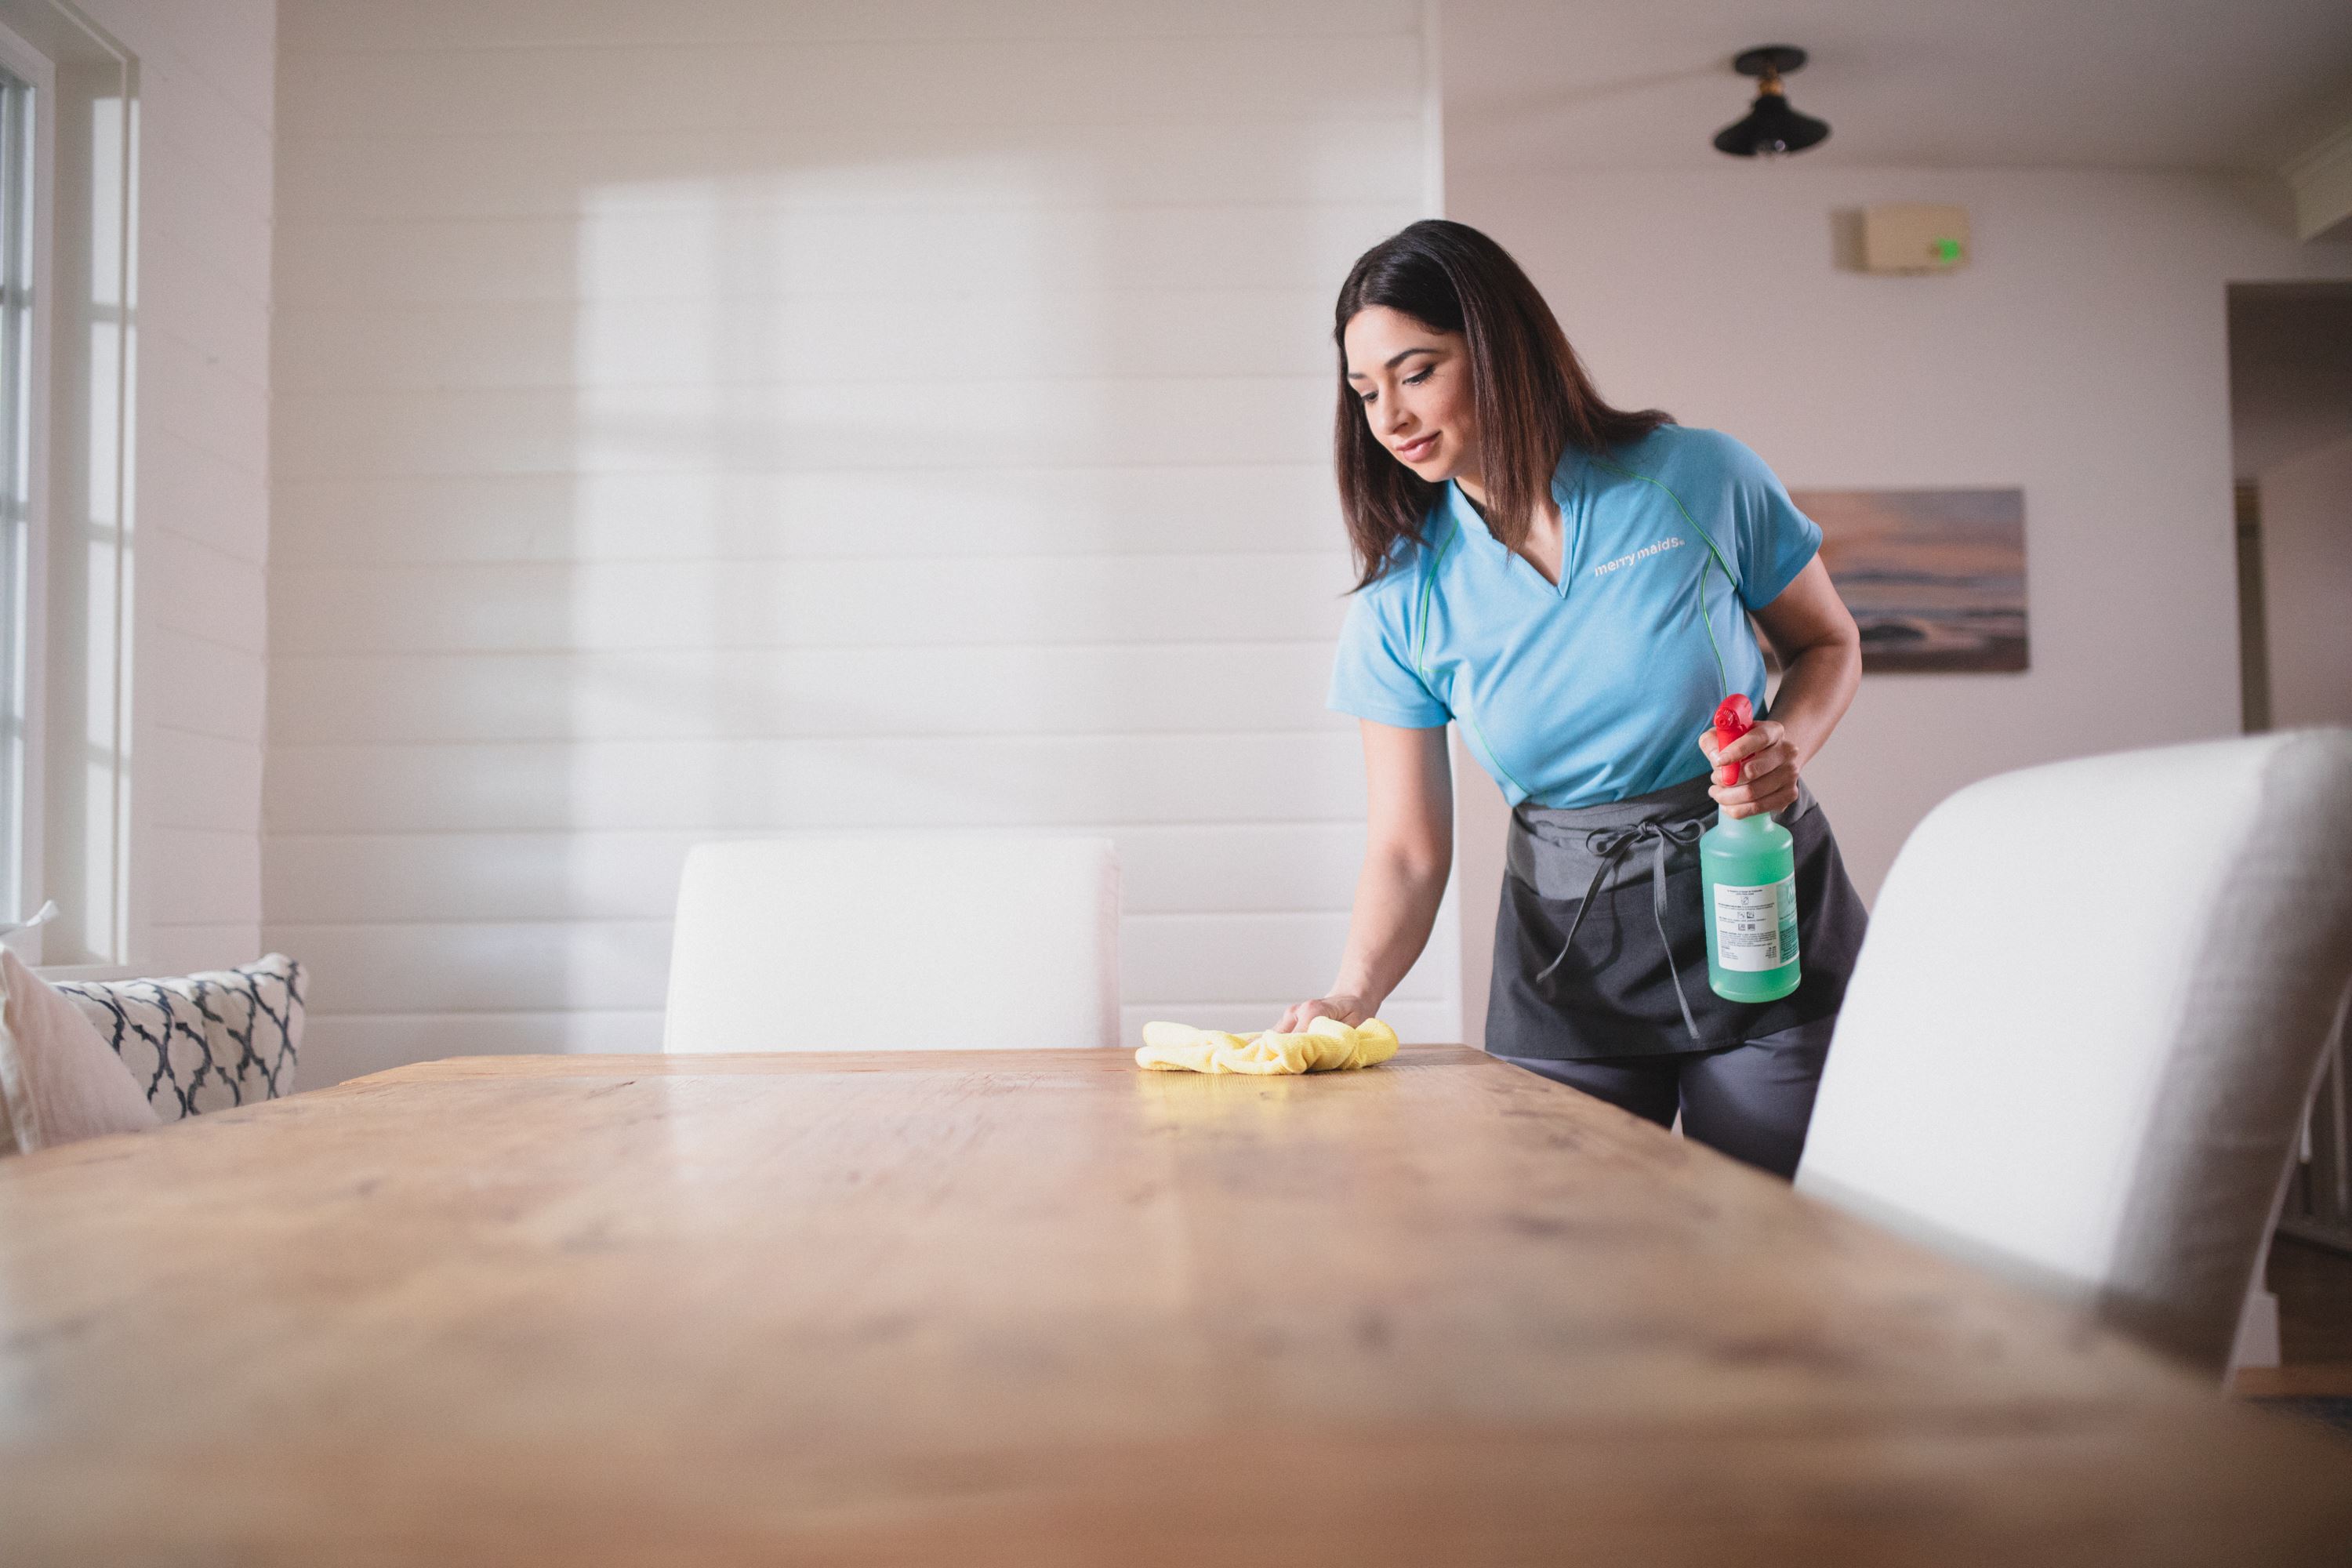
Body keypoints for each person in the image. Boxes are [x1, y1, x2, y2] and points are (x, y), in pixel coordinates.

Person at [1276, 220, 1870, 1180]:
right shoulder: (1401, 602)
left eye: (1416, 371)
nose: (1388, 416)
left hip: (1760, 909)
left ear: (1497, 343)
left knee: (1776, 1249)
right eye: (1365, 390)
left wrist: (1787, 743)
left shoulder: (1698, 477)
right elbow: (1407, 846)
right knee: (1565, 1262)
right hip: (1570, 952)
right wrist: (1353, 993)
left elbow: (1828, 641)